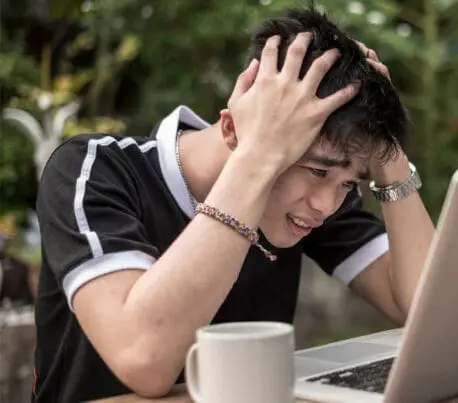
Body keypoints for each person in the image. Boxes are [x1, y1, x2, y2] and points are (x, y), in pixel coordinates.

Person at [31, 7, 435, 402]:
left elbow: (426, 313)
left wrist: (390, 161)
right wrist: (258, 158)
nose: (327, 205)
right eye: (316, 171)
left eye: (348, 183)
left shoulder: (316, 197)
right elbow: (145, 359)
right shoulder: (94, 168)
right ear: (232, 129)